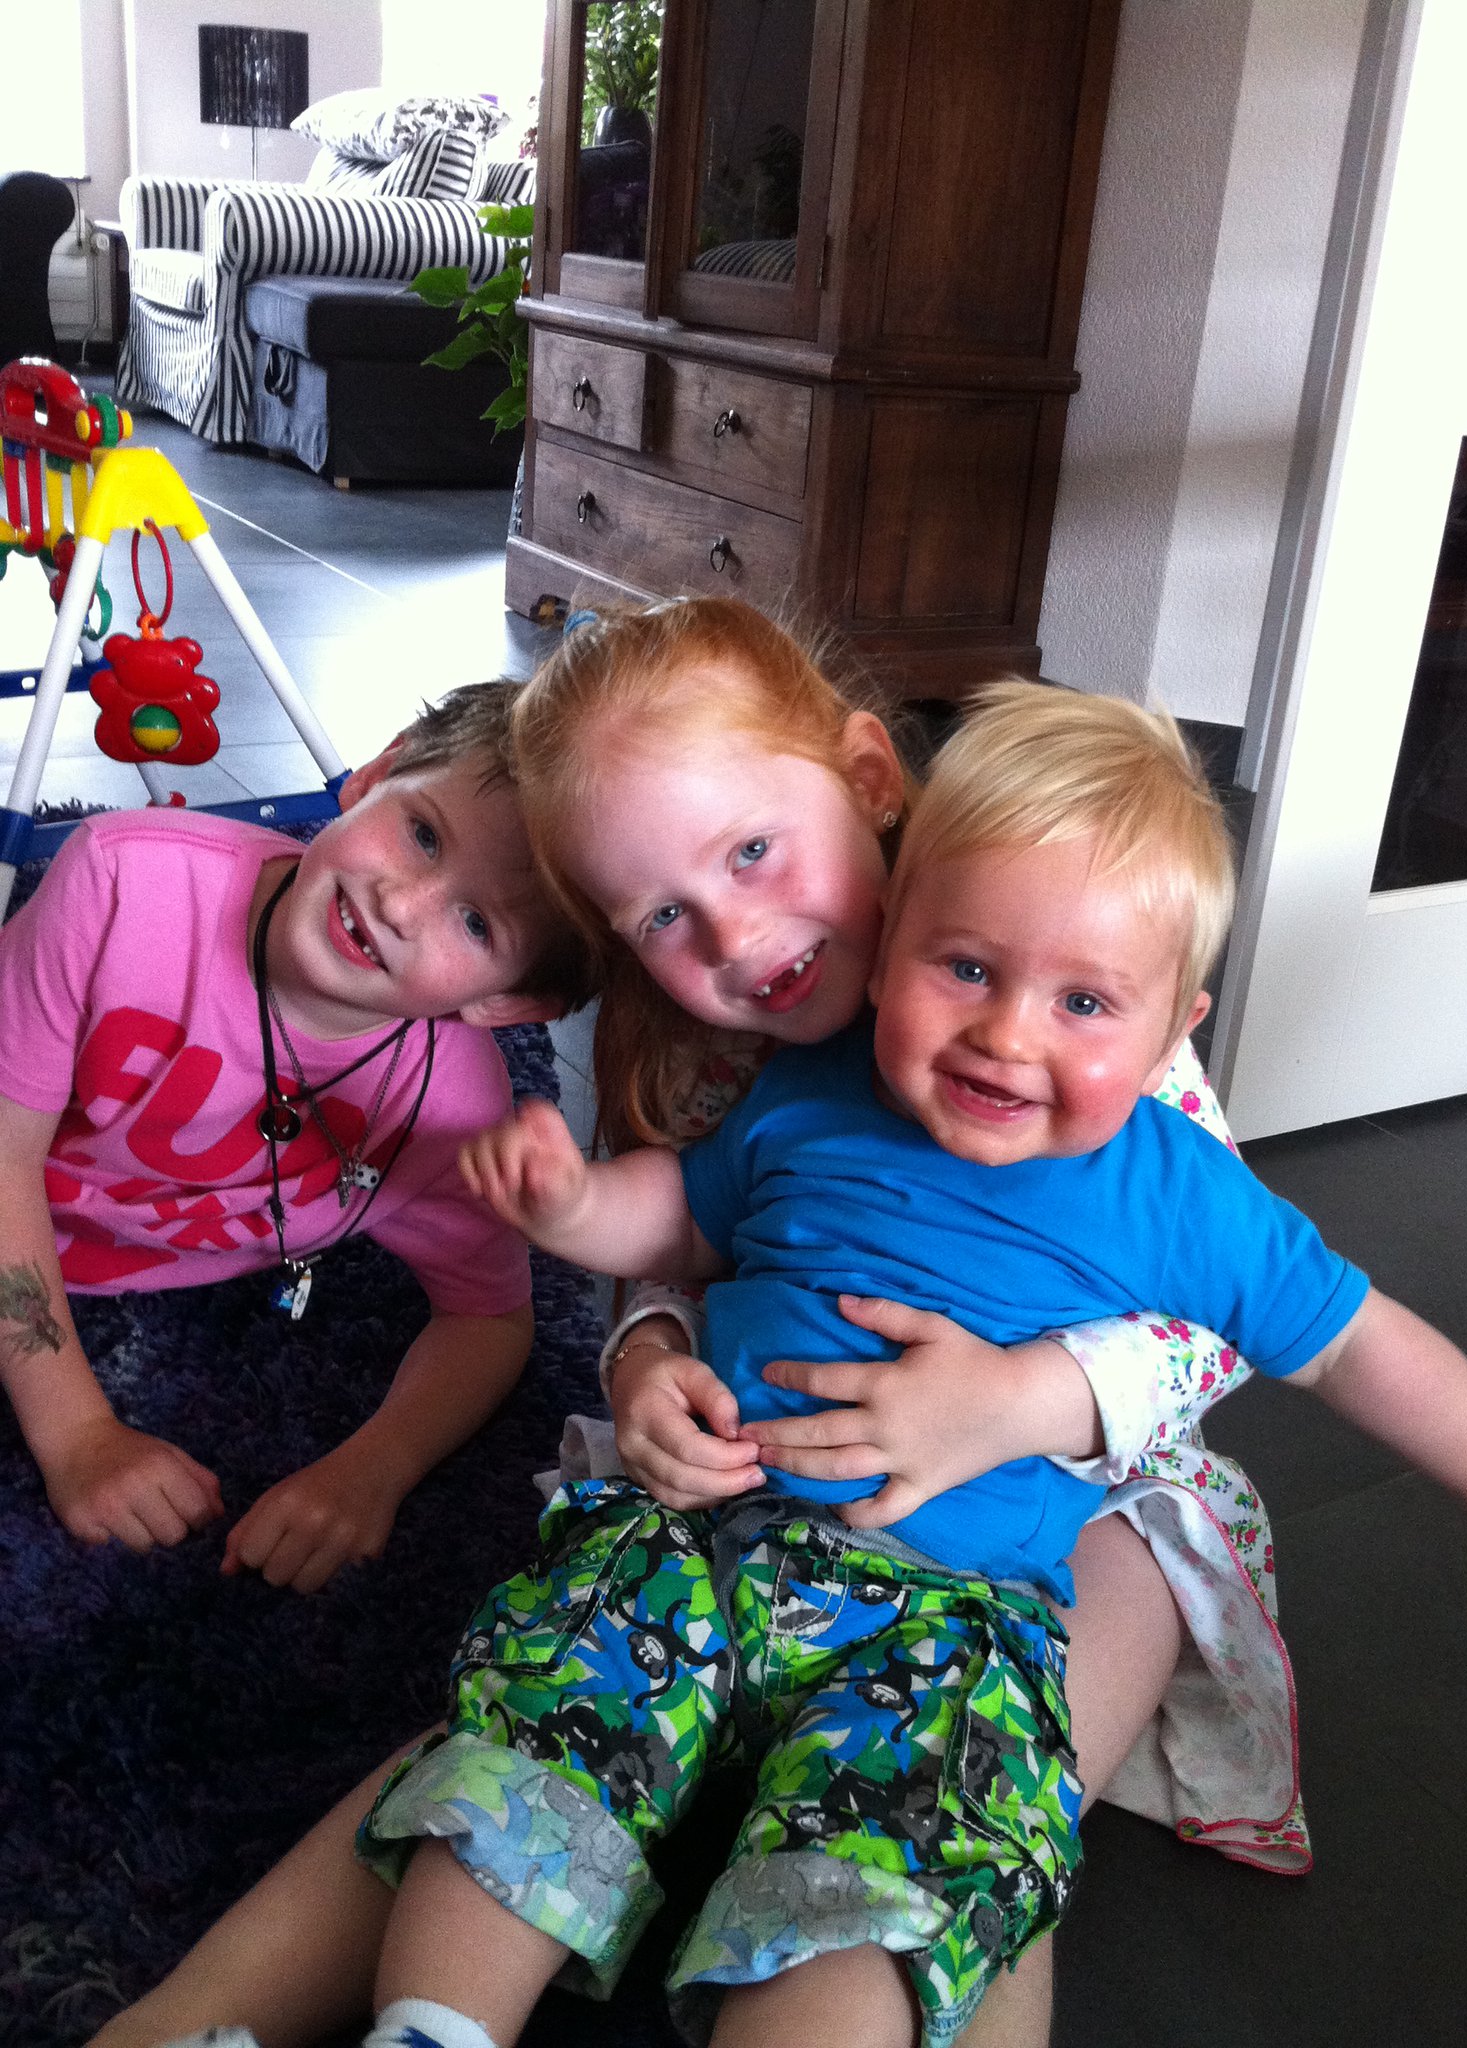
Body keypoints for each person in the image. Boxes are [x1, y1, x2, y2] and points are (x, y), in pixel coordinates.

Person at [88, 604, 1298, 2048]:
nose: (733, 932)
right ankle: (191, 2018)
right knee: (532, 1716)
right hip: (754, 1482)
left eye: (754, 850)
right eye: (660, 917)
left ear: (867, 779)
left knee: (970, 1815)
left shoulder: (1045, 963)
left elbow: (1224, 1319)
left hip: (1054, 1505)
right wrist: (648, 1356)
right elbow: (674, 1246)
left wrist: (1018, 1400)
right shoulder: (707, 1044)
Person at [363, 675, 1467, 2048]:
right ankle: (429, 2026)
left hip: (949, 1615)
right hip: (689, 1538)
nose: (1007, 1033)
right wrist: (572, 1206)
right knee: (530, 1742)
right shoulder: (807, 1089)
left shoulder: (1180, 1190)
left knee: (881, 1884)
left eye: (1083, 1001)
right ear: (890, 941)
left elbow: (1354, 1347)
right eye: (964, 968)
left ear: (1174, 1026)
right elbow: (680, 1216)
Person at [0, 682, 594, 1594]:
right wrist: (78, 1432)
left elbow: (489, 1318)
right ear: (380, 771)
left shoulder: (450, 1110)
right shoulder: (120, 882)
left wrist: (371, 1470)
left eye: (476, 923)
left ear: (508, 1003)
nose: (402, 903)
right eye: (423, 834)